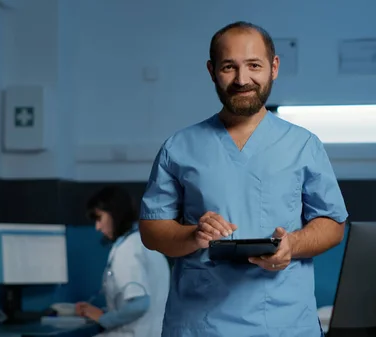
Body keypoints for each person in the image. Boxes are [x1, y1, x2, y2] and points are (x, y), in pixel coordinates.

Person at [139, 21, 349, 337]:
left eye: (254, 65)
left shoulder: (304, 145)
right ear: (211, 71)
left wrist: (292, 244)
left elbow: (333, 225)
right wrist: (193, 235)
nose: (242, 79)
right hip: (201, 325)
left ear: (273, 67)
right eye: (229, 67)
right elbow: (152, 229)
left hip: (283, 324)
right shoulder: (179, 147)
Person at [76, 186, 170, 337]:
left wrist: (103, 318)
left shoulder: (127, 250)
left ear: (115, 214)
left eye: (99, 218)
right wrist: (105, 312)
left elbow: (140, 304)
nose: (97, 227)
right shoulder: (145, 243)